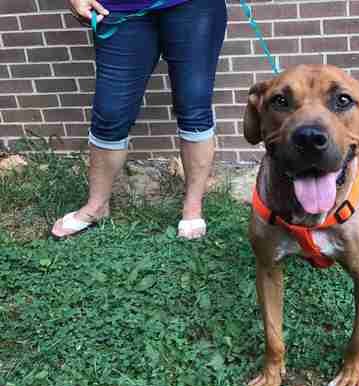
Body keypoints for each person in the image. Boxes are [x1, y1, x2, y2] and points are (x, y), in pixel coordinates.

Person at [51, 0, 228, 239]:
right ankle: (97, 205)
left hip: (194, 6)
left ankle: (193, 207)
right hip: (118, 7)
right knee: (110, 112)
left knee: (194, 106)